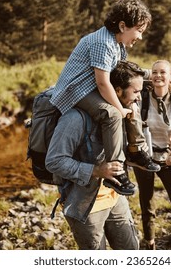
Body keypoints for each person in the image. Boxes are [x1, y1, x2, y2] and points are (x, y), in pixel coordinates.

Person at [50, 0, 160, 196]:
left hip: (89, 88)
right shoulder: (103, 42)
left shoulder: (118, 45)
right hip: (75, 91)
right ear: (122, 25)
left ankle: (135, 150)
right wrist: (119, 109)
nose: (141, 37)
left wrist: (149, 75)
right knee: (112, 114)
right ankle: (117, 170)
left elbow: (122, 72)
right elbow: (103, 82)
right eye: (139, 31)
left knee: (133, 100)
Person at [45, 60, 146, 250]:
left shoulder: (122, 114)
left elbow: (131, 154)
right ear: (116, 90)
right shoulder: (74, 119)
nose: (140, 98)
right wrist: (97, 170)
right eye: (136, 91)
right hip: (85, 206)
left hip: (115, 198)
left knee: (131, 250)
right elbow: (54, 161)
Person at [130, 60, 171, 250]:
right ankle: (150, 244)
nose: (158, 76)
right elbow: (132, 129)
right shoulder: (141, 100)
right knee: (147, 205)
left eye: (163, 72)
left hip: (166, 159)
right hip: (144, 159)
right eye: (154, 72)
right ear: (150, 76)